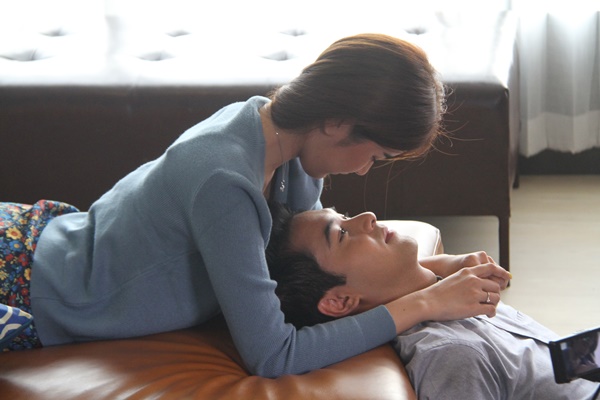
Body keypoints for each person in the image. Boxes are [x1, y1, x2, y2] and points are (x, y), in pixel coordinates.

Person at [1, 33, 504, 378]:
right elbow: (274, 354)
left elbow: (303, 270)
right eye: (375, 156)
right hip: (25, 281)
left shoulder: (282, 145)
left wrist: (437, 268)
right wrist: (425, 303)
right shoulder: (224, 180)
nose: (363, 171)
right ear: (336, 123)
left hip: (49, 238)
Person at [264, 203, 600, 399]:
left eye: (345, 216)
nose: (367, 217)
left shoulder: (454, 292)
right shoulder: (452, 355)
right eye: (342, 234)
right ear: (340, 302)